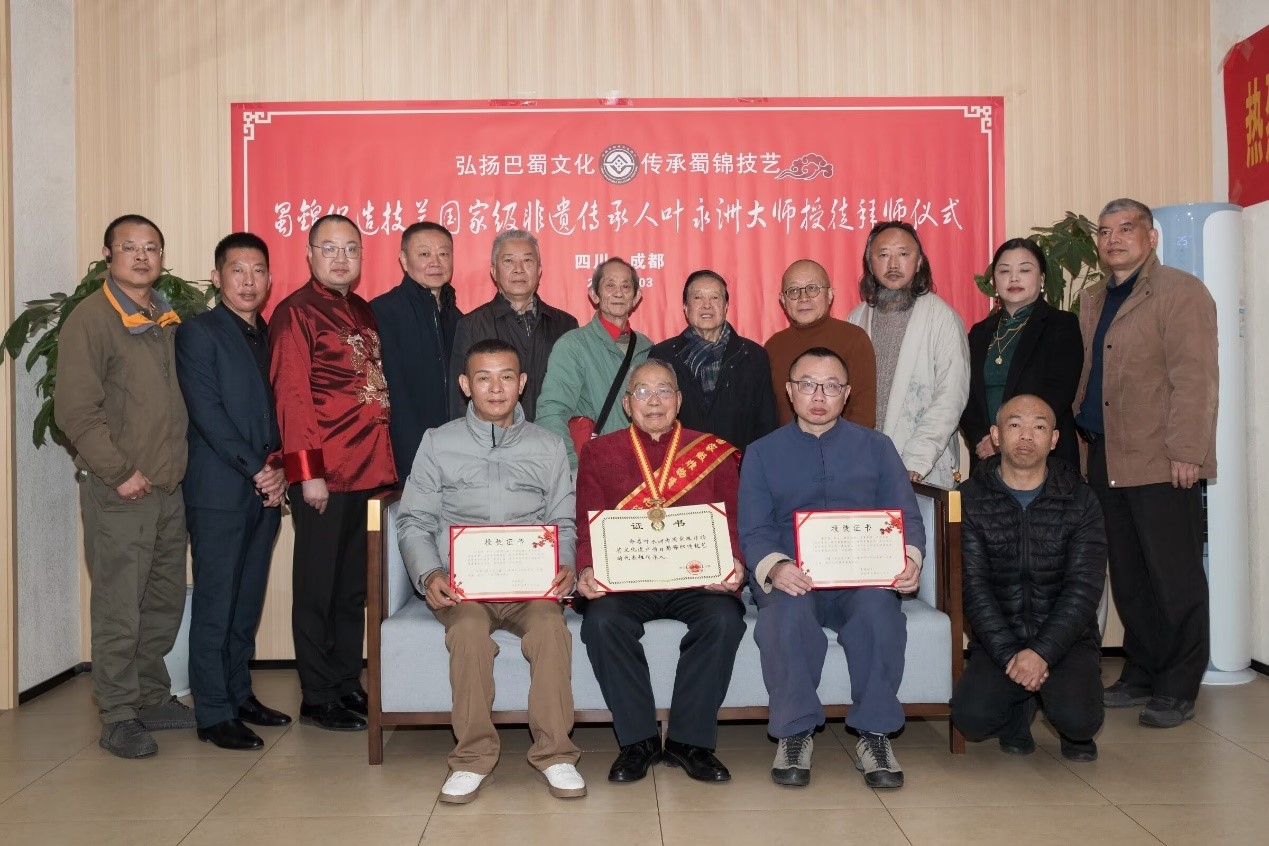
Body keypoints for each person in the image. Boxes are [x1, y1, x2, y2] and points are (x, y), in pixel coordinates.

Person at [397, 339, 584, 804]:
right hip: (464, 588)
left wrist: (566, 563)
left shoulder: (547, 445)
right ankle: (472, 759)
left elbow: (564, 521)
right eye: (484, 378)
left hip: (530, 586)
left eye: (506, 377)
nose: (495, 388)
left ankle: (556, 755)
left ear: (522, 384)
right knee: (467, 634)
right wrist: (429, 574)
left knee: (550, 631)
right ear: (466, 385)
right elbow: (414, 520)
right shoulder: (438, 442)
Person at [739, 347, 924, 789]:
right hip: (793, 575)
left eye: (831, 386)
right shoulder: (762, 452)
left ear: (847, 393)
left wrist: (909, 560)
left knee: (879, 614)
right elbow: (753, 528)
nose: (819, 396)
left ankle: (875, 734)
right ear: (789, 391)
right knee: (785, 618)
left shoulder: (877, 448)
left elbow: (907, 515)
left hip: (861, 577)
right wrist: (776, 567)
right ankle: (795, 733)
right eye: (807, 384)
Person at [54, 214, 196, 758]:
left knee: (162, 601)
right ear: (108, 255)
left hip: (167, 487)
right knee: (119, 605)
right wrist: (119, 472)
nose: (141, 256)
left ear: (162, 257)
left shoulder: (164, 315)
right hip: (122, 491)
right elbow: (75, 410)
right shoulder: (92, 319)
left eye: (151, 247)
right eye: (129, 247)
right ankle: (117, 714)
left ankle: (151, 697)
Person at [1074, 198, 1218, 729]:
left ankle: (1178, 685)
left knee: (1173, 575)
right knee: (1130, 575)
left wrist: (1188, 450)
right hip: (1106, 452)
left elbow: (1195, 378)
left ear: (1150, 237)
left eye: (1126, 228)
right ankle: (1140, 670)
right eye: (1105, 231)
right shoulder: (1094, 298)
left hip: (1162, 457)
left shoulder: (1180, 291)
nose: (1113, 239)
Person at [573, 359, 747, 784]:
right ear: (627, 403)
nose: (654, 401)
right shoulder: (599, 452)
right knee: (602, 622)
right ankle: (638, 741)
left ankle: (690, 742)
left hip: (695, 579)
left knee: (724, 618)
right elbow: (587, 524)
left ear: (679, 399)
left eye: (664, 390)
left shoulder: (712, 451)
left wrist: (735, 564)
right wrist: (587, 568)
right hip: (627, 581)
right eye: (643, 392)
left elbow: (732, 522)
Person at [270, 213, 396, 731]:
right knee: (317, 586)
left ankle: (345, 681)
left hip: (371, 470)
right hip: (327, 476)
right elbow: (293, 397)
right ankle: (317, 694)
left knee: (353, 589)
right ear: (309, 255)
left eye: (350, 249)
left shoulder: (362, 309)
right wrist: (308, 474)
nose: (341, 258)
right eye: (330, 248)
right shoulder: (296, 312)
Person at [175, 232, 291, 750]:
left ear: (269, 278)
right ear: (217, 277)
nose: (249, 281)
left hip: (265, 490)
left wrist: (279, 468)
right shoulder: (199, 333)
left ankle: (239, 694)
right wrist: (258, 468)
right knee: (216, 602)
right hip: (220, 492)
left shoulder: (270, 334)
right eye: (237, 270)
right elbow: (208, 414)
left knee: (246, 603)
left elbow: (281, 411)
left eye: (258, 271)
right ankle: (213, 711)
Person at [952, 395, 1106, 762]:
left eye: (1039, 426)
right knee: (970, 718)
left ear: (1054, 439)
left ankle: (1058, 711)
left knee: (1080, 721)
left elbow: (1083, 590)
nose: (1026, 435)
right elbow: (972, 587)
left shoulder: (1081, 499)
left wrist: (1041, 653)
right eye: (1015, 425)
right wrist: (1012, 655)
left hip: (1066, 641)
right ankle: (1019, 709)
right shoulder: (969, 497)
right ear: (996, 435)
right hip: (999, 640)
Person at [847, 221, 970, 488]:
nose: (893, 264)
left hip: (921, 467)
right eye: (883, 254)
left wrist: (917, 458)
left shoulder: (942, 318)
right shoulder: (856, 318)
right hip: (863, 463)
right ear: (869, 263)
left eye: (903, 254)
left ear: (919, 262)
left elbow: (951, 395)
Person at [961, 239, 1083, 472]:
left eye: (1025, 270)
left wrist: (1007, 439)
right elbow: (964, 395)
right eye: (1004, 271)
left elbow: (1058, 392)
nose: (1014, 278)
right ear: (994, 280)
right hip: (987, 456)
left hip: (1042, 456)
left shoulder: (1062, 325)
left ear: (1042, 278)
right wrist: (984, 438)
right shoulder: (979, 332)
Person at [536, 257, 654, 469]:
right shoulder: (573, 346)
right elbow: (552, 412)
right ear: (594, 294)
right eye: (610, 285)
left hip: (642, 469)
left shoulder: (647, 348)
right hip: (593, 470)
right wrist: (571, 469)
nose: (618, 293)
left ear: (636, 296)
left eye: (626, 286)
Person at [448, 229, 577, 421]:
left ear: (539, 270)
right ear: (494, 271)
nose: (519, 269)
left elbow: (575, 390)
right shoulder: (471, 325)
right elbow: (460, 399)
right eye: (508, 261)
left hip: (551, 433)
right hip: (494, 434)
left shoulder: (565, 324)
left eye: (527, 260)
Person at [371, 221, 463, 481]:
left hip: (456, 457)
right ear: (403, 259)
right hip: (402, 457)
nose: (435, 262)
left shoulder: (460, 320)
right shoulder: (379, 313)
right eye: (424, 254)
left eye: (443, 254)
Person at [649, 270, 778, 452]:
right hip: (680, 465)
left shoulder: (754, 356)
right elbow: (653, 420)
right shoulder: (663, 356)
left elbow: (766, 424)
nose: (707, 305)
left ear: (726, 306)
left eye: (715, 297)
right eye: (698, 297)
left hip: (739, 464)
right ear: (685, 307)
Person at [764, 259, 876, 429]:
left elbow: (863, 414)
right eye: (793, 291)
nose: (803, 298)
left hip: (844, 444)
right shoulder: (773, 346)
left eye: (813, 288)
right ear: (783, 300)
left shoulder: (854, 339)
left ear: (830, 294)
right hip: (786, 445)